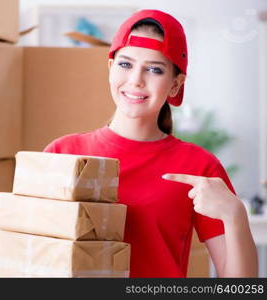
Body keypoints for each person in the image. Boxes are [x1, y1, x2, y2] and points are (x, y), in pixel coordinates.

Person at [43, 9, 258, 278]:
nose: (135, 80)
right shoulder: (63, 154)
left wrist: (235, 216)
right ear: (110, 68)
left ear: (175, 86)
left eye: (154, 69)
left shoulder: (197, 168)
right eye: (125, 64)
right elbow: (35, 255)